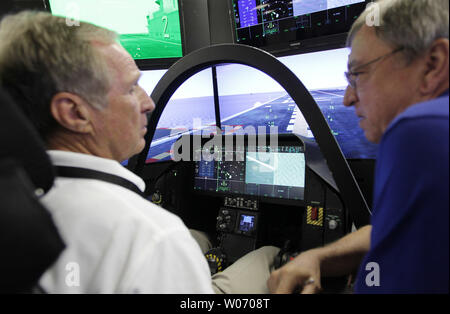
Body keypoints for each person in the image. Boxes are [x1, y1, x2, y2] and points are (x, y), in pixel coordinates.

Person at [0, 11, 278, 293]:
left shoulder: (18, 201)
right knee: (268, 256)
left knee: (199, 238)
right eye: (132, 88)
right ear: (74, 113)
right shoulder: (154, 235)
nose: (148, 103)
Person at [268, 0, 449, 294]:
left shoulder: (417, 129)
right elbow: (389, 231)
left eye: (359, 74)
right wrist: (317, 256)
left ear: (433, 64)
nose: (347, 99)